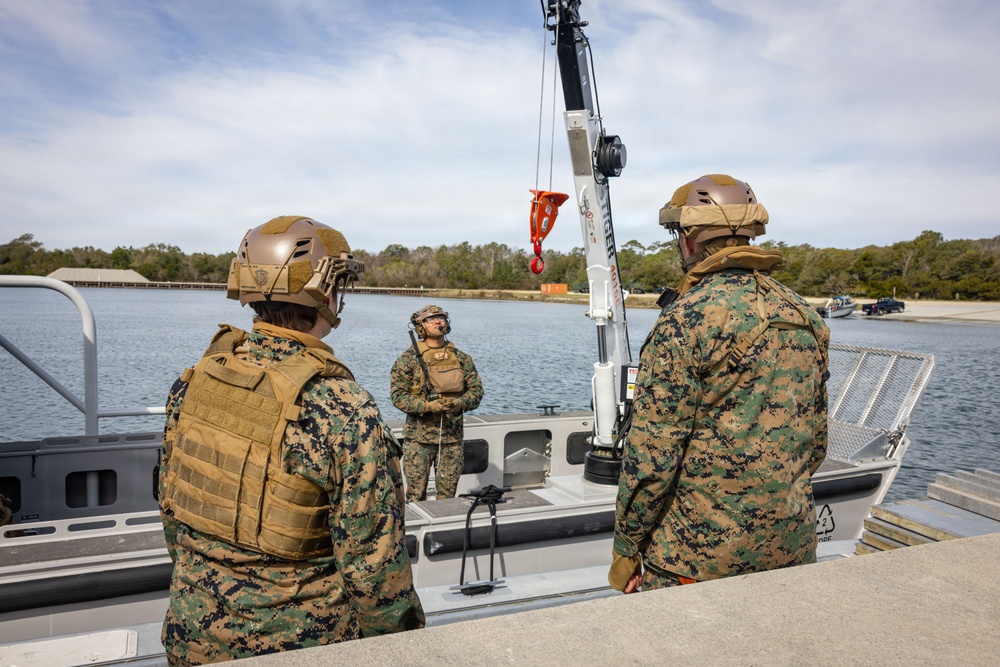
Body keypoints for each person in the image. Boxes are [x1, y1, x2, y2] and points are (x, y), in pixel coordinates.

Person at [158, 216, 424, 666]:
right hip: (301, 647)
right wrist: (406, 652)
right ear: (326, 293)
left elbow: (172, 513)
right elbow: (374, 570)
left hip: (191, 637)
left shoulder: (196, 382)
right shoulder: (342, 407)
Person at [609, 174, 830, 594]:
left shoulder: (686, 319)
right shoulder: (804, 314)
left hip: (696, 560)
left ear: (688, 239)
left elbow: (652, 459)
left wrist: (626, 547)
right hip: (792, 548)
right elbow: (816, 441)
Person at [390, 305, 483, 502]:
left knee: (447, 498)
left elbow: (476, 392)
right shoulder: (408, 360)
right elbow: (398, 396)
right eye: (431, 319)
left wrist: (460, 403)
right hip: (418, 441)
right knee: (415, 497)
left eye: (441, 317)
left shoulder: (462, 358)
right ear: (420, 326)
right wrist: (427, 407)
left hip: (451, 440)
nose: (438, 321)